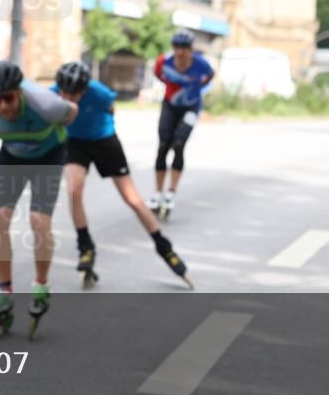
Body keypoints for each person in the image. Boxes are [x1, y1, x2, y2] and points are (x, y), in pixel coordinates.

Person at [52, 61, 192, 289]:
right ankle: (85, 247)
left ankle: (164, 246)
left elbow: (112, 110)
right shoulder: (52, 95)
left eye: (74, 93)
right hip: (75, 143)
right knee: (74, 190)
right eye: (64, 92)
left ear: (85, 89)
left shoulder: (100, 94)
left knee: (132, 198)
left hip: (104, 140)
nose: (68, 97)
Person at [0, 61, 78, 339]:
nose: (3, 106)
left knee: (39, 222)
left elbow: (72, 112)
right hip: (13, 156)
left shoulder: (47, 106)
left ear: (19, 93)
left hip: (50, 154)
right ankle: (4, 292)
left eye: (8, 98)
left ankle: (41, 285)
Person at [150, 29, 214, 217]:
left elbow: (210, 76)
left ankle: (171, 191)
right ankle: (157, 192)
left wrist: (197, 88)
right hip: (170, 105)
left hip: (190, 107)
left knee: (179, 144)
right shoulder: (164, 61)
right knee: (163, 146)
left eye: (184, 48)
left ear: (191, 49)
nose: (180, 52)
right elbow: (158, 74)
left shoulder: (201, 64)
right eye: (177, 47)